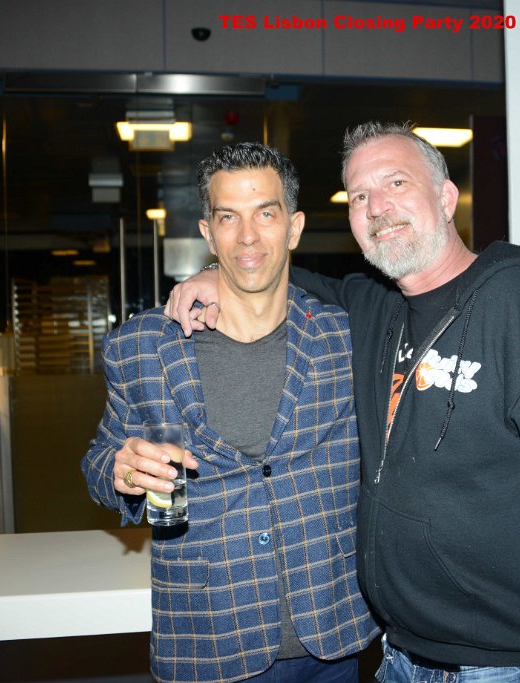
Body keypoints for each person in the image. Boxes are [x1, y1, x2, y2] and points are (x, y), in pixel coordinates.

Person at [166, 122, 520, 683]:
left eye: (396, 183)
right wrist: (218, 272)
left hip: (509, 667)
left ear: (445, 199)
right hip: (399, 657)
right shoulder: (374, 307)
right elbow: (276, 273)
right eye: (359, 196)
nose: (377, 207)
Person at [82, 142, 378, 683]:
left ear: (294, 228)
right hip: (208, 640)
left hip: (331, 637)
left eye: (265, 214)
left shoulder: (345, 339)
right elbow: (100, 460)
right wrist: (119, 472)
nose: (246, 236)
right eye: (228, 217)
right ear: (208, 232)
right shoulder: (140, 346)